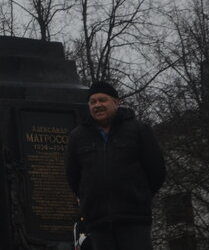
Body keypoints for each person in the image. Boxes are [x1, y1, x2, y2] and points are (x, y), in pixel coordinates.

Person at [65, 81, 166, 250]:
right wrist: (91, 197)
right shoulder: (77, 137)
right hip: (98, 222)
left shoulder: (139, 130)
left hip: (134, 220)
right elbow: (73, 176)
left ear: (116, 102)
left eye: (102, 100)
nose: (97, 105)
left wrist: (138, 194)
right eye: (93, 102)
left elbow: (157, 171)